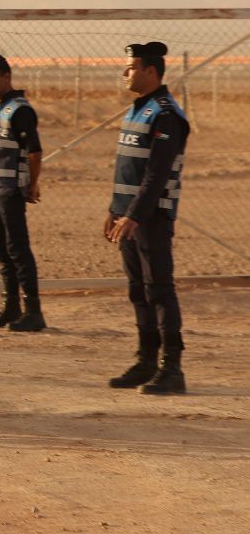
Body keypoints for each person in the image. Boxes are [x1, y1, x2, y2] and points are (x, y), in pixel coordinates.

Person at [104, 41, 190, 395]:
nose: (125, 73)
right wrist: (114, 210)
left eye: (131, 67)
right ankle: (146, 361)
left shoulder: (166, 114)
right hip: (129, 217)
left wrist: (135, 215)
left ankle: (172, 369)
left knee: (159, 290)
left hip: (150, 218)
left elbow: (156, 174)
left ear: (151, 72)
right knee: (138, 290)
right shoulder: (138, 110)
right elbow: (129, 168)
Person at [0, 55, 46, 332]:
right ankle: (11, 307)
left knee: (18, 250)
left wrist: (32, 184)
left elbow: (35, 152)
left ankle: (33, 311)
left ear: (7, 77)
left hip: (11, 191)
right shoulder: (0, 110)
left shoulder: (20, 110)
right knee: (3, 251)